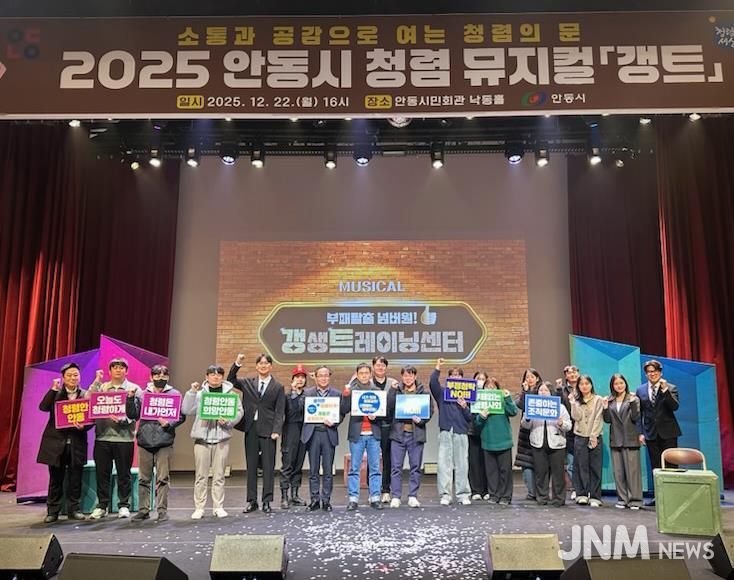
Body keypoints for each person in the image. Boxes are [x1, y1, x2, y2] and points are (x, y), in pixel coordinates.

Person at [181, 365, 244, 519]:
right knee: (201, 476)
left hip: (221, 439)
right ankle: (199, 507)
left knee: (219, 475)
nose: (216, 377)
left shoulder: (231, 395)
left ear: (222, 377)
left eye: (219, 374)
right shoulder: (199, 394)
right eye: (212, 374)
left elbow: (239, 412)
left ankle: (218, 506)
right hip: (202, 438)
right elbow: (186, 410)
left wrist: (228, 421)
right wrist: (191, 392)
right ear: (207, 376)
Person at [126, 364, 186, 522]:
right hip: (145, 441)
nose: (161, 378)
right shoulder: (142, 394)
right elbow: (133, 415)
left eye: (164, 375)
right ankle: (143, 510)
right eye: (157, 375)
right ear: (151, 377)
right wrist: (130, 398)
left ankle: (162, 510)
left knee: (163, 478)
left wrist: (169, 424)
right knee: (143, 479)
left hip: (164, 441)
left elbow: (181, 416)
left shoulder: (174, 394)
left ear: (168, 377)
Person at [228, 353, 285, 514]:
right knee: (251, 466)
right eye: (260, 363)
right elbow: (231, 380)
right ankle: (252, 501)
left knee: (268, 467)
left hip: (269, 431)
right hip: (251, 428)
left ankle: (267, 501)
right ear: (256, 366)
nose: (263, 366)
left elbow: (279, 411)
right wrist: (237, 363)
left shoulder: (278, 387)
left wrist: (276, 430)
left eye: (266, 363)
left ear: (271, 366)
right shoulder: (248, 383)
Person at [37, 363, 92, 523]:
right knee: (56, 479)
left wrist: (84, 426)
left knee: (75, 479)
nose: (73, 378)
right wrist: (53, 390)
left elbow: (91, 418)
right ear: (63, 378)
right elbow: (43, 407)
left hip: (76, 444)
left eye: (76, 375)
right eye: (69, 375)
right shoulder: (56, 393)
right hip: (56, 444)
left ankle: (74, 509)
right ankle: (52, 511)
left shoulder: (85, 395)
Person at [87, 358, 141, 520]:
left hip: (124, 439)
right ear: (110, 371)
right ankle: (102, 505)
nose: (118, 370)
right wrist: (97, 381)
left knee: (124, 474)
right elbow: (88, 399)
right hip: (103, 437)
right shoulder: (102, 387)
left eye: (121, 367)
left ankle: (123, 505)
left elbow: (137, 413)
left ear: (126, 371)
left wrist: (125, 420)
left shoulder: (134, 389)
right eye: (115, 367)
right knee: (102, 474)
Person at [301, 365, 347, 512]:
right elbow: (300, 409)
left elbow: (342, 413)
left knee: (328, 470)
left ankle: (326, 500)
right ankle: (314, 500)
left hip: (328, 433)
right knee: (313, 470)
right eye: (320, 375)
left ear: (329, 377)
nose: (323, 378)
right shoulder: (307, 393)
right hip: (313, 433)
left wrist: (335, 421)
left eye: (326, 375)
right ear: (315, 377)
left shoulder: (337, 394)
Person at [635, 359, 681, 506]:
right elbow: (639, 414)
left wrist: (665, 390)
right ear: (646, 374)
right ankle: (659, 497)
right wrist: (640, 433)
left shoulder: (671, 387)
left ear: (660, 373)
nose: (652, 374)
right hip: (650, 433)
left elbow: (674, 407)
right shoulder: (640, 390)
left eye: (655, 371)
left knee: (671, 465)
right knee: (656, 466)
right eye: (649, 372)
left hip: (669, 433)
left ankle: (672, 497)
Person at [386, 366, 432, 508]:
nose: (408, 378)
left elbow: (429, 411)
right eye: (405, 376)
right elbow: (389, 407)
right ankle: (396, 496)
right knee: (396, 467)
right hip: (398, 434)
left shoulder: (423, 393)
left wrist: (421, 420)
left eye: (410, 375)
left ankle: (413, 495)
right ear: (402, 377)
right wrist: (392, 390)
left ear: (415, 377)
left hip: (416, 434)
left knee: (415, 467)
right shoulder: (396, 391)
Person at [429, 358, 473, 506]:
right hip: (446, 430)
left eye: (458, 375)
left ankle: (463, 494)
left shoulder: (468, 395)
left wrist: (465, 407)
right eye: (453, 375)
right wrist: (437, 367)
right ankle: (445, 494)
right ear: (449, 378)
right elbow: (433, 383)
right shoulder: (442, 392)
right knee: (444, 464)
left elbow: (470, 417)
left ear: (462, 378)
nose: (456, 377)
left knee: (462, 464)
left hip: (461, 431)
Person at [521, 381, 572, 507]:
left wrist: (561, 423)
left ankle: (558, 499)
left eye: (546, 390)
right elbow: (525, 425)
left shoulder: (560, 407)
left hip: (557, 444)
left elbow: (569, 426)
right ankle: (542, 497)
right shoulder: (532, 406)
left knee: (558, 474)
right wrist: (527, 418)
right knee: (540, 473)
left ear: (551, 393)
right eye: (541, 390)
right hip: (538, 443)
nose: (543, 392)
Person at [343, 363, 383, 511]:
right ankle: (353, 499)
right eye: (361, 373)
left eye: (367, 373)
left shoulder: (377, 391)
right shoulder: (352, 391)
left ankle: (375, 497)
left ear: (370, 375)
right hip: (357, 434)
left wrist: (376, 416)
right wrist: (346, 395)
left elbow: (383, 413)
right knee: (354, 468)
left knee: (375, 468)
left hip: (373, 434)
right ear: (357, 375)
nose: (364, 375)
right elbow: (344, 409)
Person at [475, 380, 518, 505]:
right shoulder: (480, 402)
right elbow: (476, 424)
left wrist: (508, 398)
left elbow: (514, 412)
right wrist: (481, 416)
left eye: (493, 387)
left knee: (505, 471)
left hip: (504, 442)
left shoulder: (502, 401)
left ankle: (506, 496)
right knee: (491, 472)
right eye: (487, 387)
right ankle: (494, 494)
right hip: (488, 442)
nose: (490, 389)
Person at [603, 373, 643, 510]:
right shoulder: (610, 400)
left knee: (633, 472)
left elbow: (636, 417)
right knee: (618, 472)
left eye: (621, 383)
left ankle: (635, 500)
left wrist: (632, 403)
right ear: (612, 386)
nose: (619, 386)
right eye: (616, 384)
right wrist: (605, 407)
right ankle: (622, 499)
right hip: (616, 439)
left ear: (625, 383)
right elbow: (607, 420)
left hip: (630, 439)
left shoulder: (633, 398)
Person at [569, 374, 605, 507]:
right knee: (580, 466)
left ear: (591, 385)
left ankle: (595, 496)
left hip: (594, 436)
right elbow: (576, 417)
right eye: (581, 384)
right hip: (580, 436)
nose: (584, 386)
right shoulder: (577, 400)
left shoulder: (598, 399)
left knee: (595, 467)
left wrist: (593, 435)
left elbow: (598, 418)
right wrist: (573, 403)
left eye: (587, 384)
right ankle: (582, 494)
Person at [279, 365, 309, 509]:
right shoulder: (286, 397)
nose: (300, 380)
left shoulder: (308, 396)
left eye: (302, 377)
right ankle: (284, 496)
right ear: (292, 380)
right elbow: (288, 413)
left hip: (303, 432)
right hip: (290, 432)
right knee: (287, 465)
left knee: (298, 465)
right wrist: (294, 394)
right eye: (297, 377)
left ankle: (295, 495)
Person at [372, 356, 398, 504]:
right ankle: (373, 490)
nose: (380, 368)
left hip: (389, 426)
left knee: (388, 459)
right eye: (377, 365)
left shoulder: (393, 383)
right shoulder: (368, 383)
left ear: (386, 368)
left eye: (383, 365)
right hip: (373, 426)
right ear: (373, 367)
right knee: (373, 459)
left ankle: (386, 490)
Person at [515, 368, 542, 501]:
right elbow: (521, 405)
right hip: (525, 432)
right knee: (526, 462)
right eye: (527, 377)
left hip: (540, 430)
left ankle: (540, 491)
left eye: (532, 376)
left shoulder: (542, 391)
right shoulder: (523, 393)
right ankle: (531, 492)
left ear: (537, 378)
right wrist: (525, 392)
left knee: (540, 462)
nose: (529, 379)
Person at [555, 364, 580, 499]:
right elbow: (558, 405)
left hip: (583, 428)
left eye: (575, 372)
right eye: (569, 373)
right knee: (571, 463)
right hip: (570, 430)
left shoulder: (584, 386)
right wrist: (559, 390)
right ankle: (576, 488)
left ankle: (585, 488)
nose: (572, 375)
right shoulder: (563, 390)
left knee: (583, 462)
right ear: (566, 376)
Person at [468, 371, 490, 501]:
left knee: (487, 462)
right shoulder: (469, 394)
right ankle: (475, 490)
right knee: (474, 462)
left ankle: (487, 490)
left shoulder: (491, 395)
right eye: (478, 378)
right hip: (473, 432)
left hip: (487, 432)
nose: (480, 381)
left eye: (483, 379)